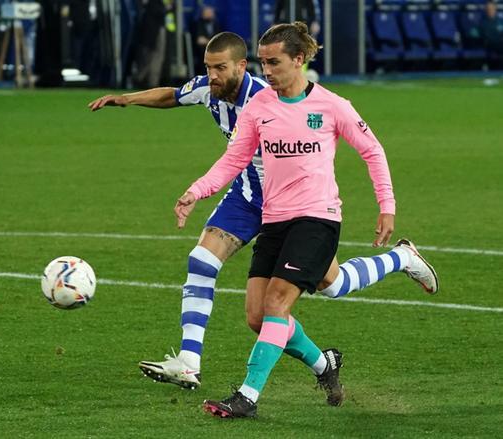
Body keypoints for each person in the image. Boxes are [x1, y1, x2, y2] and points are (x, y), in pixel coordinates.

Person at [88, 32, 438, 402]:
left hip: (306, 208)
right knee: (211, 267)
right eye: (208, 69)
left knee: (323, 288)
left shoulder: (277, 98)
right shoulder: (214, 91)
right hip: (253, 198)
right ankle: (192, 360)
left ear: (242, 66)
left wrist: (387, 205)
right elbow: (175, 98)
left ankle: (401, 258)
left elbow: (369, 148)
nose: (213, 77)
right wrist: (126, 100)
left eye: (220, 68)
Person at [482, 0, 503, 69]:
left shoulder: (500, 21)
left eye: (491, 9)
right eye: (488, 9)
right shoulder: (482, 22)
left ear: (495, 9)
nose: (490, 11)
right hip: (489, 46)